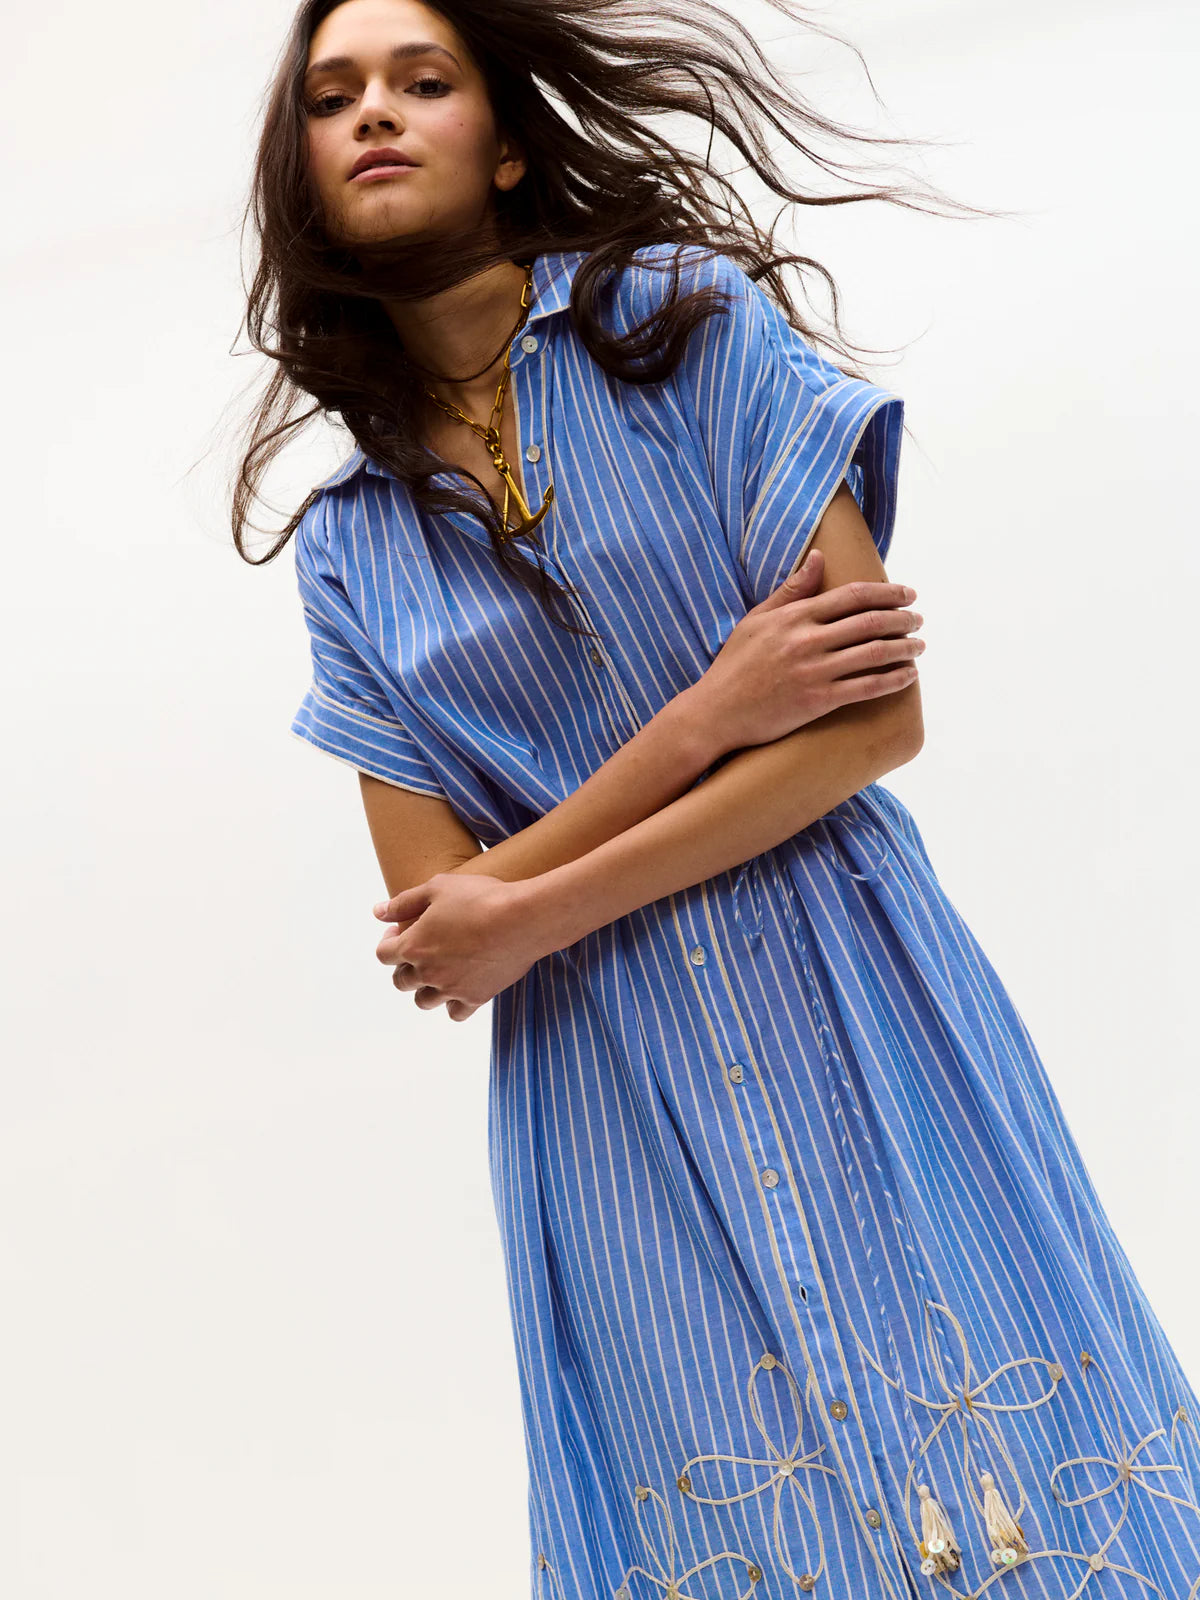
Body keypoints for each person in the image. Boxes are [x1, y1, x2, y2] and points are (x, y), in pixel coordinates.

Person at [234, 0, 1200, 1594]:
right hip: (609, 1089)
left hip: (854, 993)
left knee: (1026, 1477)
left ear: (508, 141)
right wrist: (708, 719)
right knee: (741, 1528)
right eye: (334, 99)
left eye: (422, 79)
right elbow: (439, 929)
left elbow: (870, 723)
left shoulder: (686, 330)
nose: (375, 114)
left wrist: (532, 901)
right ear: (307, 177)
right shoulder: (347, 539)